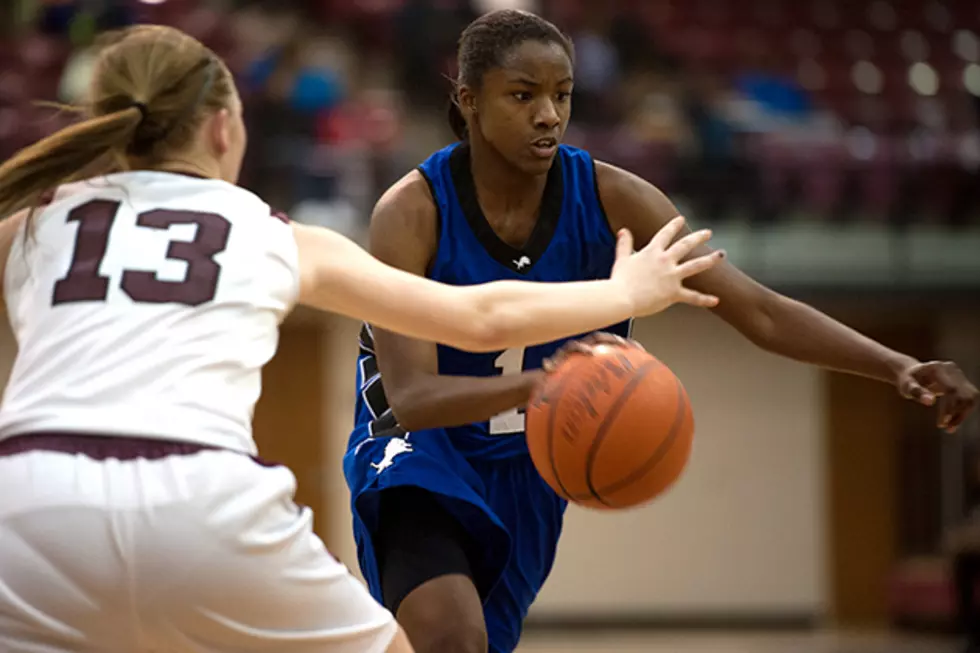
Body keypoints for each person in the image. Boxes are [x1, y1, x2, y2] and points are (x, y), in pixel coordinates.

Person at [0, 25, 726, 653]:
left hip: (25, 499)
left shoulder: (32, 220)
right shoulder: (265, 229)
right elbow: (478, 316)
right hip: (200, 493)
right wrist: (626, 294)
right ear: (223, 128)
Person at [342, 9, 980, 653]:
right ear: (469, 100)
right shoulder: (412, 211)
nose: (548, 115)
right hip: (418, 452)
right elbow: (415, 399)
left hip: (526, 469)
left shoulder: (618, 200)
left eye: (562, 95)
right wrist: (546, 385)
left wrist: (898, 366)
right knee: (453, 639)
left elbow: (754, 309)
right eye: (522, 95)